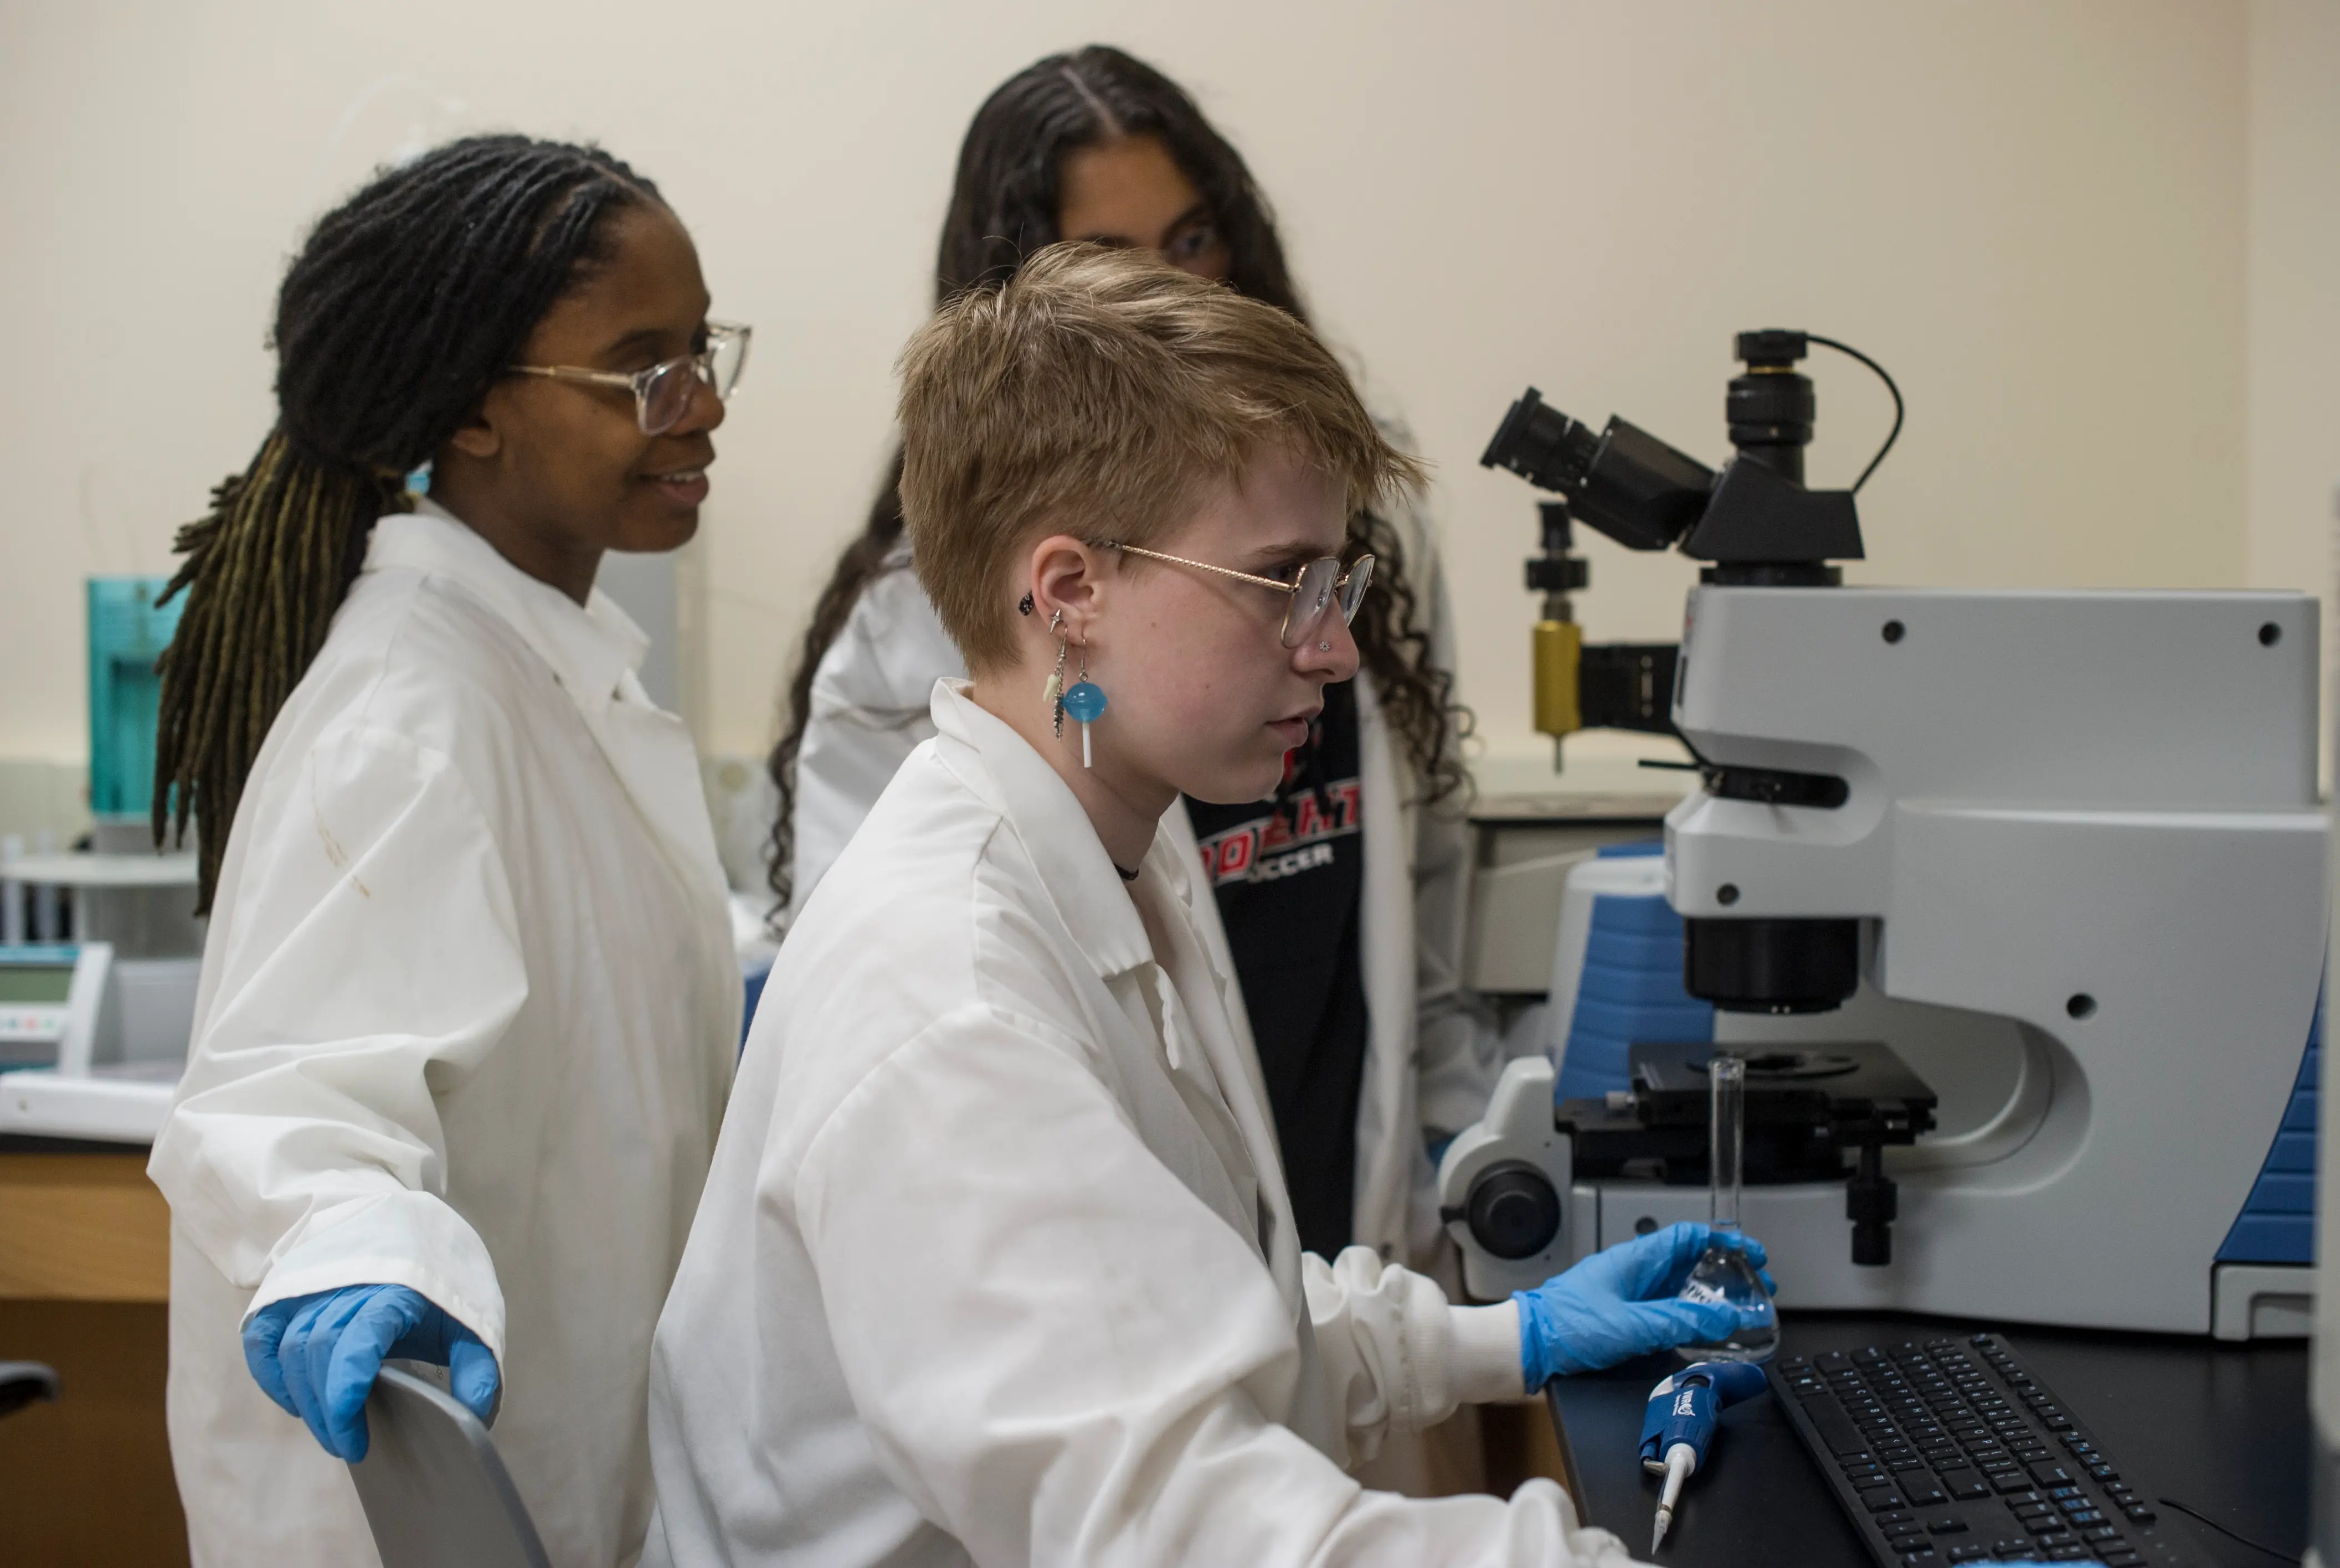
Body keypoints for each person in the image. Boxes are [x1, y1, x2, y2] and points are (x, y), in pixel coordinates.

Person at [644, 244, 1767, 1567]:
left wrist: (1497, 1339)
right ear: (1070, 594)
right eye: (1280, 582)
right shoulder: (948, 1001)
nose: (1335, 649)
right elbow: (1183, 1526)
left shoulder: (1126, 844)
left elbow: (1174, 1311)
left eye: (1335, 585)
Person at [770, 44, 1479, 1316]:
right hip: (1107, 1251)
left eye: (1194, 241)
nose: (1327, 644)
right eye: (1112, 259)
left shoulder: (1338, 534)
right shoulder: (950, 947)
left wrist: (1460, 1182)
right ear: (1064, 594)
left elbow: (1418, 891)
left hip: (1338, 1236)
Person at [146, 134, 748, 1567]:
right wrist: (356, 1261)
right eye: (645, 368)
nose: (707, 404)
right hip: (405, 1525)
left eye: (707, 346)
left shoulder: (539, 676)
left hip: (575, 1496)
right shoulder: (409, 717)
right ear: (476, 412)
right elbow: (290, 1109)